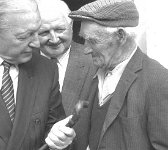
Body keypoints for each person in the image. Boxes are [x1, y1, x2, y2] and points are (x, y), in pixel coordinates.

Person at [0, 0, 75, 149]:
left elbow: (52, 131)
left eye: (37, 32)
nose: (37, 44)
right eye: (25, 36)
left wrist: (60, 140)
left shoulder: (46, 69)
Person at [69, 0, 168, 149]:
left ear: (120, 36)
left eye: (93, 41)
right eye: (84, 40)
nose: (86, 49)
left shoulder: (158, 81)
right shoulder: (94, 70)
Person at [36, 0, 95, 116]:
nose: (54, 39)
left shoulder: (93, 60)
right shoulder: (23, 61)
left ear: (71, 26)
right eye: (44, 32)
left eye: (59, 30)